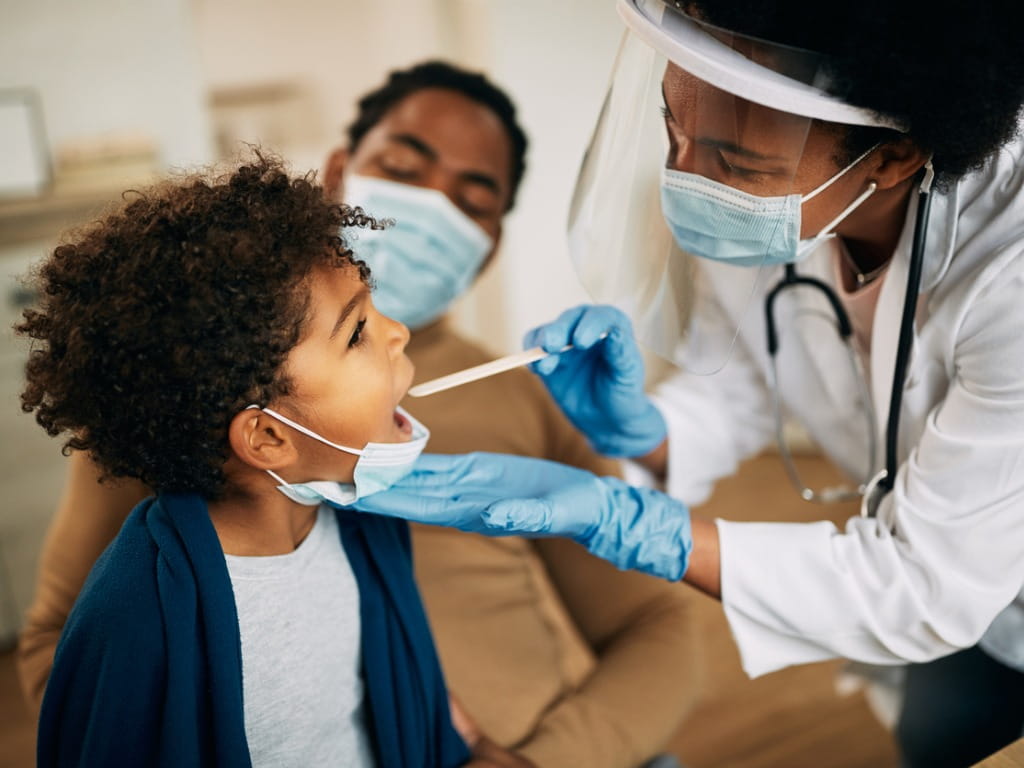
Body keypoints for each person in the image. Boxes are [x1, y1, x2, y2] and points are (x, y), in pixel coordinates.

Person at [351, 3, 1024, 766]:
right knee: (942, 732)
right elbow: (736, 392)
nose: (690, 181)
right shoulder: (768, 202)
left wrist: (637, 528)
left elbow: (923, 586)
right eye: (677, 132)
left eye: (736, 167)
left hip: (960, 584)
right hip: (960, 623)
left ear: (893, 159)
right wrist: (642, 432)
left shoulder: (1011, 278)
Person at [17, 62, 698, 768]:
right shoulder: (176, 391)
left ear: (492, 240)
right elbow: (66, 648)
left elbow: (655, 622)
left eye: (473, 198)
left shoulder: (531, 391)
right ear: (340, 171)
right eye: (403, 166)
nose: (430, 208)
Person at [15, 153, 506, 768]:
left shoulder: (364, 523)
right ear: (268, 438)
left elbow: (393, 694)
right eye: (355, 333)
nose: (398, 331)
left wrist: (480, 747)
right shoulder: (132, 619)